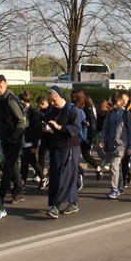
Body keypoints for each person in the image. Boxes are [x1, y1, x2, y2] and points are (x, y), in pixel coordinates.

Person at [42, 86, 84, 218]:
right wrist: (45, 128)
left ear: (61, 97)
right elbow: (46, 122)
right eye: (51, 101)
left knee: (64, 176)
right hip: (56, 147)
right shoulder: (52, 110)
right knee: (55, 175)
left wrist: (59, 127)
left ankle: (55, 206)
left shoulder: (73, 110)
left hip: (69, 147)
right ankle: (73, 203)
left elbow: (76, 128)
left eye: (54, 101)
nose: (52, 103)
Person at [0, 74, 26, 204]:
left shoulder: (10, 99)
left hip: (13, 139)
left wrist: (14, 137)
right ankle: (16, 189)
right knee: (6, 165)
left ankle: (5, 194)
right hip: (2, 139)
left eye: (0, 83)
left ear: (6, 83)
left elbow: (21, 121)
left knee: (10, 165)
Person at [98, 91, 131, 198]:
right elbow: (105, 128)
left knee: (114, 166)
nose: (114, 106)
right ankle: (120, 186)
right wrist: (101, 140)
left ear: (122, 102)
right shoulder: (110, 113)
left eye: (116, 103)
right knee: (117, 167)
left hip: (122, 146)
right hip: (110, 144)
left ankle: (114, 189)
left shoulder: (127, 116)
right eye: (113, 104)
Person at [19, 91, 47, 190]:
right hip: (25, 140)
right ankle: (42, 177)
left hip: (31, 141)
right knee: (32, 160)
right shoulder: (23, 112)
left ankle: (22, 183)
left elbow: (36, 130)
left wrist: (35, 145)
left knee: (25, 162)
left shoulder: (34, 112)